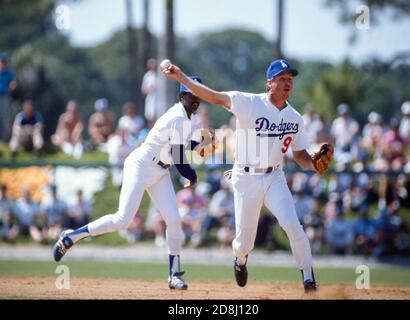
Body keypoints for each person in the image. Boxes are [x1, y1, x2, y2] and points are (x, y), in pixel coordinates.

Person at [162, 59, 334, 292]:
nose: (287, 83)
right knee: (245, 243)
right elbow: (214, 97)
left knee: (293, 225)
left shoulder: (295, 118)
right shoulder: (249, 103)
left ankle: (308, 279)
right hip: (245, 177)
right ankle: (240, 259)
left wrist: (314, 165)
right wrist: (182, 77)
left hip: (275, 177)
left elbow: (300, 155)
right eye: (282, 79)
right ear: (269, 83)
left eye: (290, 79)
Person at [52, 76, 206, 290]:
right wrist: (192, 176)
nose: (196, 97)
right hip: (141, 165)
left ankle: (174, 275)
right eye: (191, 93)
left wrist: (201, 141)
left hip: (160, 171)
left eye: (198, 93)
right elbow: (180, 158)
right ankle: (72, 236)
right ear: (182, 96)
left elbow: (179, 145)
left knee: (173, 219)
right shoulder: (179, 117)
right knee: (123, 219)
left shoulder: (185, 119)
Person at [0, 53, 17, 142]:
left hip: (5, 97)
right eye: (1, 62)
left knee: (5, 118)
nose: (2, 63)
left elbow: (14, 83)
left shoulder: (9, 73)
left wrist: (12, 85)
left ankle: (5, 140)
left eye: (4, 62)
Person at [141, 58, 161, 128]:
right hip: (150, 99)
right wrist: (150, 88)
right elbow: (143, 90)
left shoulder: (160, 75)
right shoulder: (147, 76)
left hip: (159, 99)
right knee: (150, 117)